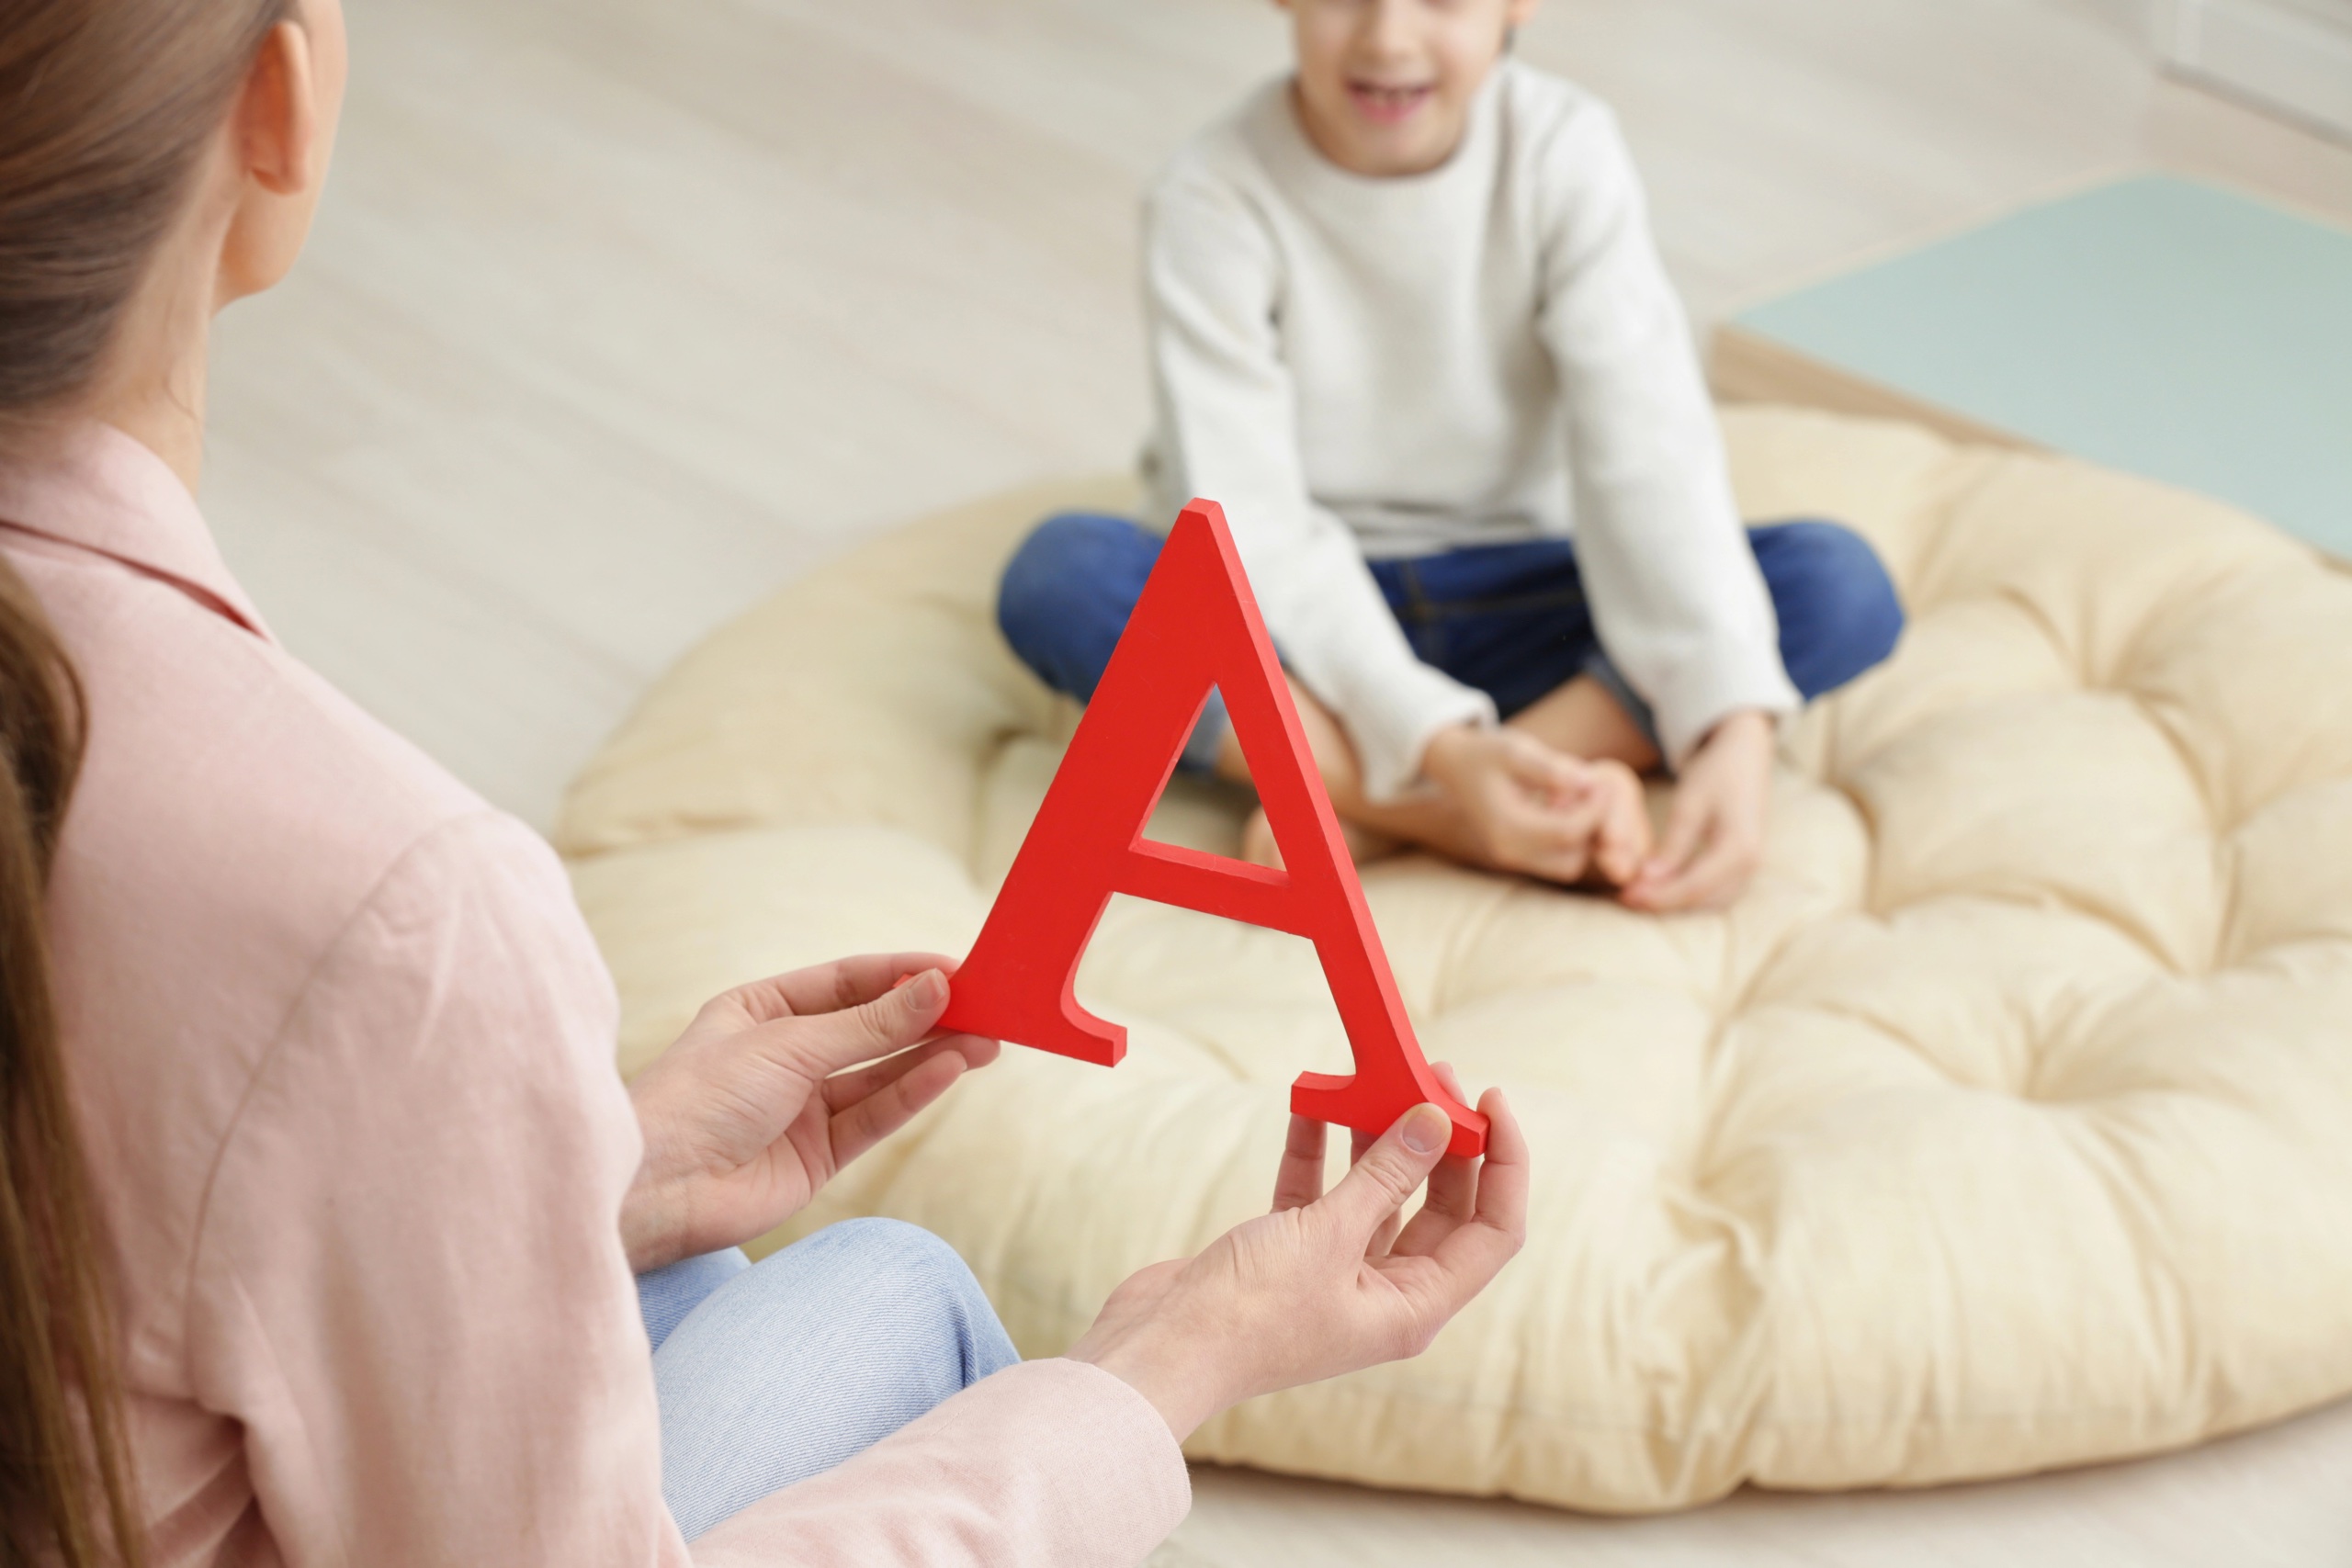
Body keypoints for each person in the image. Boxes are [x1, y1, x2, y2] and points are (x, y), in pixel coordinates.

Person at [0, 3, 1529, 1564]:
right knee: (891, 1292)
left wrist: (590, 1165)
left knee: (690, 1279)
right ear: (282, 96)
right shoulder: (393, 910)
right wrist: (1161, 1367)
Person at [996, 0, 1905, 911]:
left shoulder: (1564, 151)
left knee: (1834, 581)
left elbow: (1649, 449)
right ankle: (1454, 807)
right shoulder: (1208, 194)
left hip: (1530, 592)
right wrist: (1443, 749)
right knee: (1064, 574)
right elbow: (1252, 525)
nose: (1387, 37)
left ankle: (1354, 803)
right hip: (1301, 623)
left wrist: (1732, 723)